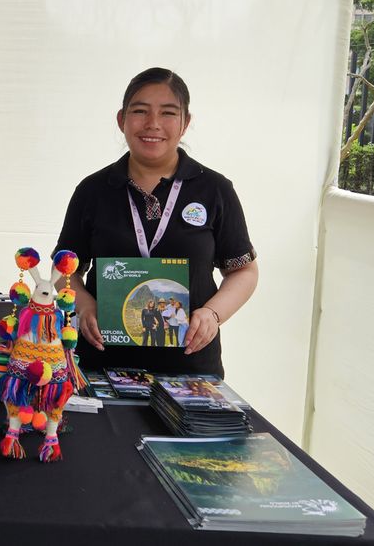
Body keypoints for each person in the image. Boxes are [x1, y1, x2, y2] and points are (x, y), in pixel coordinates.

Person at [55, 67, 258, 377]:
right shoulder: (93, 190)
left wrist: (213, 315)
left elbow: (243, 270)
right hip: (100, 367)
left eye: (168, 113)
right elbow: (63, 270)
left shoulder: (214, 189)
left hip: (191, 371)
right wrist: (83, 306)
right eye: (140, 111)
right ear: (122, 119)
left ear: (185, 122)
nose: (153, 124)